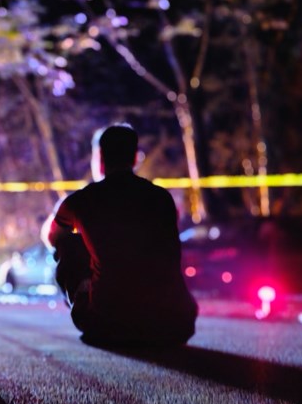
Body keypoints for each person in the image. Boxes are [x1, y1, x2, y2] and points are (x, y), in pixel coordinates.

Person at [45, 124, 197, 345]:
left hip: (107, 324)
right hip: (172, 323)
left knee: (67, 241)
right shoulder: (162, 198)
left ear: (101, 158)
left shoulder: (82, 200)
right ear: (135, 158)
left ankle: (92, 304)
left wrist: (87, 240)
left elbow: (53, 238)